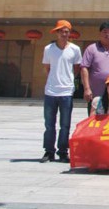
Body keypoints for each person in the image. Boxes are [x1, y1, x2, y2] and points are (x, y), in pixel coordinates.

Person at [41, 19, 82, 163]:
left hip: (66, 92)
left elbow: (76, 68)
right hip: (51, 92)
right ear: (56, 33)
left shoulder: (75, 49)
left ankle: (63, 151)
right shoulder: (49, 49)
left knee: (65, 125)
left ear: (69, 33)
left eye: (66, 32)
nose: (64, 34)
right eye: (61, 32)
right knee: (49, 125)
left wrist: (68, 80)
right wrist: (55, 79)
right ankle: (49, 151)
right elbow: (47, 68)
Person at [81, 22, 109, 115]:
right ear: (99, 34)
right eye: (105, 32)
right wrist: (86, 88)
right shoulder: (91, 49)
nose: (107, 35)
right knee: (94, 120)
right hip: (95, 93)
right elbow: (84, 68)